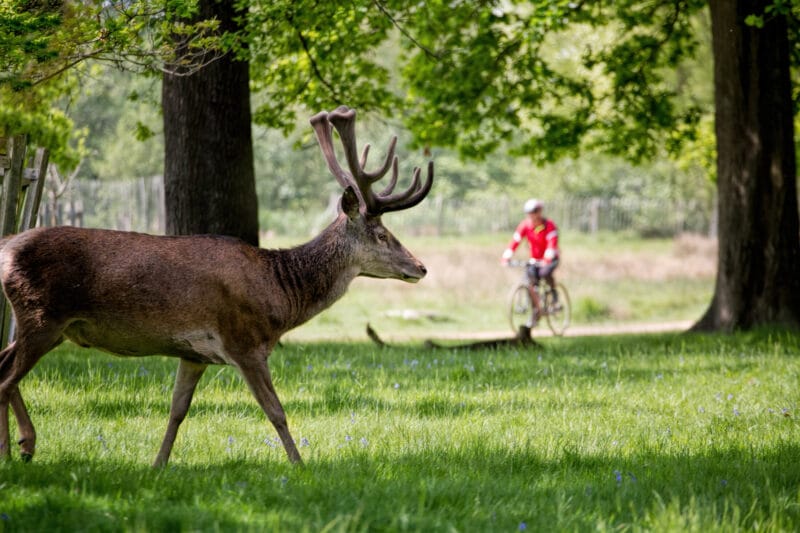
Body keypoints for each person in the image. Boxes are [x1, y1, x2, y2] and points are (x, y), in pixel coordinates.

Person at [501, 198, 560, 326]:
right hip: (534, 260)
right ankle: (535, 312)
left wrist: (547, 259)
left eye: (534, 211)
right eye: (528, 212)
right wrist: (506, 256)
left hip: (550, 258)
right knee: (531, 283)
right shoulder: (525, 226)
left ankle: (554, 297)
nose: (531, 214)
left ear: (539, 211)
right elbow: (515, 241)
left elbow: (552, 243)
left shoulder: (549, 225)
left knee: (545, 273)